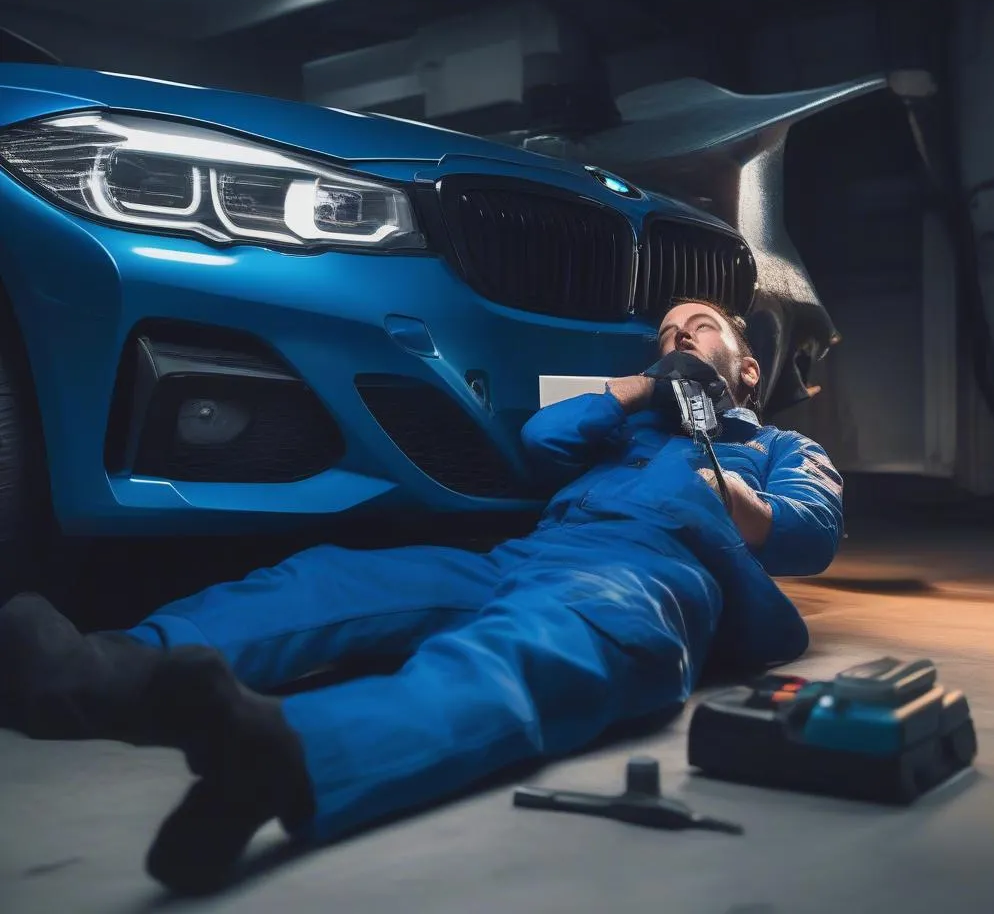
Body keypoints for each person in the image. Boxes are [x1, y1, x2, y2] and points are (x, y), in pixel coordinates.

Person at [0, 298, 843, 895]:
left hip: (643, 577)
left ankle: (286, 756)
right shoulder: (626, 422)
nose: (679, 337)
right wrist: (640, 386)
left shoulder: (778, 444)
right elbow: (541, 440)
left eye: (699, 329)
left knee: (521, 656)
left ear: (750, 365)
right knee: (331, 579)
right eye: (665, 331)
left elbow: (809, 531)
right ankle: (105, 668)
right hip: (525, 551)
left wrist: (722, 475)